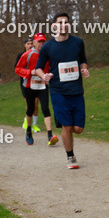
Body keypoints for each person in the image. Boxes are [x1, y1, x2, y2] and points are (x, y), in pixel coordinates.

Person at [34, 13, 88, 167]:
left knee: (78, 129)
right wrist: (44, 76)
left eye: (66, 22)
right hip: (58, 91)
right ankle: (70, 157)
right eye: (60, 22)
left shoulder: (78, 42)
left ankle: (67, 135)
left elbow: (83, 61)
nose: (63, 25)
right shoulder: (47, 47)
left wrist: (84, 69)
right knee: (67, 126)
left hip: (76, 90)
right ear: (54, 26)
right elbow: (38, 68)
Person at [14, 33, 58, 146]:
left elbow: (51, 68)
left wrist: (50, 74)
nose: (41, 44)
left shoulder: (48, 54)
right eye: (39, 41)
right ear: (34, 43)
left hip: (43, 85)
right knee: (31, 109)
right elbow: (17, 69)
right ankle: (29, 131)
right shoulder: (27, 55)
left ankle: (50, 135)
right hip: (29, 85)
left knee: (45, 108)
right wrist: (30, 72)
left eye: (43, 41)